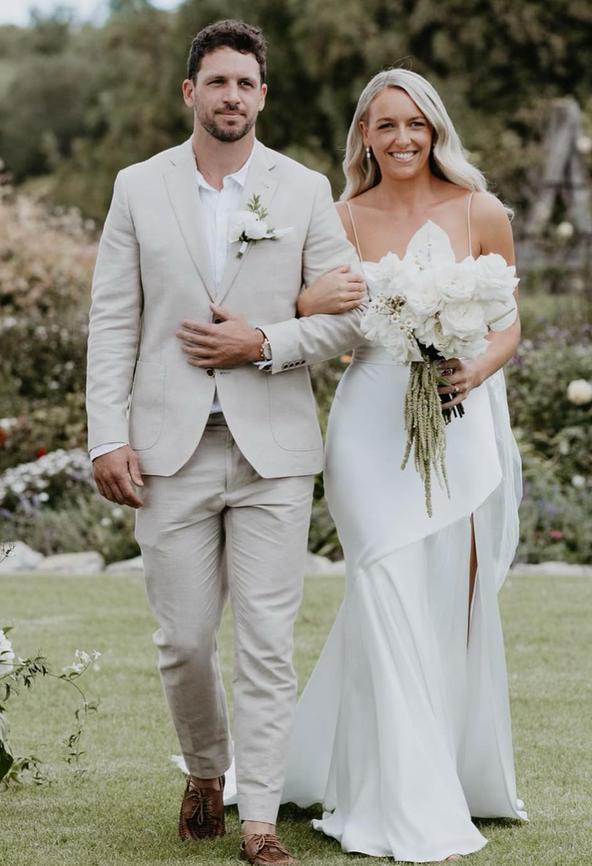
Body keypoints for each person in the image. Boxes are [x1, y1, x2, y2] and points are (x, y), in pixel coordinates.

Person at [85, 19, 366, 866]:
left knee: (268, 641)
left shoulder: (305, 189)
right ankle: (206, 768)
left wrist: (266, 342)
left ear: (263, 95)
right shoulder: (138, 186)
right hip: (166, 447)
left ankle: (259, 822)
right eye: (218, 82)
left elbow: (352, 311)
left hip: (272, 449)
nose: (232, 97)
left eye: (246, 83)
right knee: (182, 640)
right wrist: (107, 436)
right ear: (190, 92)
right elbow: (111, 320)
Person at [277, 69, 528, 862]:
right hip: (368, 419)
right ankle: (397, 798)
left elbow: (508, 322)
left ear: (435, 129)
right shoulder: (341, 218)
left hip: (460, 418)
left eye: (414, 124)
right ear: (364, 138)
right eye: (384, 126)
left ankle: (442, 771)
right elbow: (307, 308)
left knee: (446, 594)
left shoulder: (481, 211)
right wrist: (315, 305)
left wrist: (475, 371)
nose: (402, 139)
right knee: (383, 582)